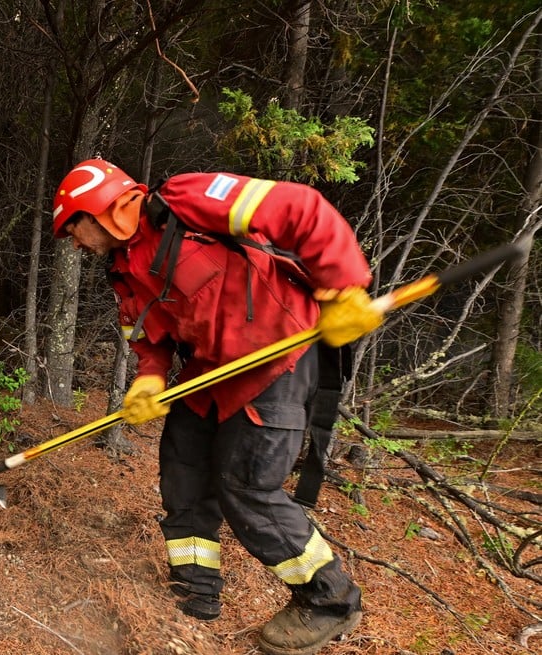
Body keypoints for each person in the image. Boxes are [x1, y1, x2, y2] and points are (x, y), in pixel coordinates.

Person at [51, 159, 380, 655]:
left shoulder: (186, 200)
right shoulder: (121, 269)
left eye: (72, 228)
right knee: (182, 473)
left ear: (96, 211)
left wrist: (345, 286)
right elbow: (147, 336)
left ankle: (329, 599)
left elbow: (301, 208)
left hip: (279, 355)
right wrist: (150, 379)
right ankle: (195, 591)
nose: (74, 244)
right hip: (210, 371)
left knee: (245, 485)